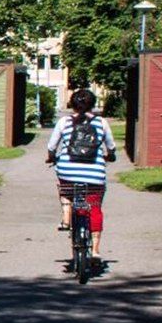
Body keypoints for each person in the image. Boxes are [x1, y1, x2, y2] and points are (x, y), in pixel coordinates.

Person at [46, 88, 117, 262]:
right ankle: (95, 251)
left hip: (68, 170)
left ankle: (66, 216)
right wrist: (110, 156)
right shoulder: (101, 122)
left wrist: (51, 157)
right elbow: (111, 147)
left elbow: (52, 146)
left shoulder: (64, 122)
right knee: (94, 207)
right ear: (93, 104)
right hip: (94, 175)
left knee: (66, 189)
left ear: (72, 104)